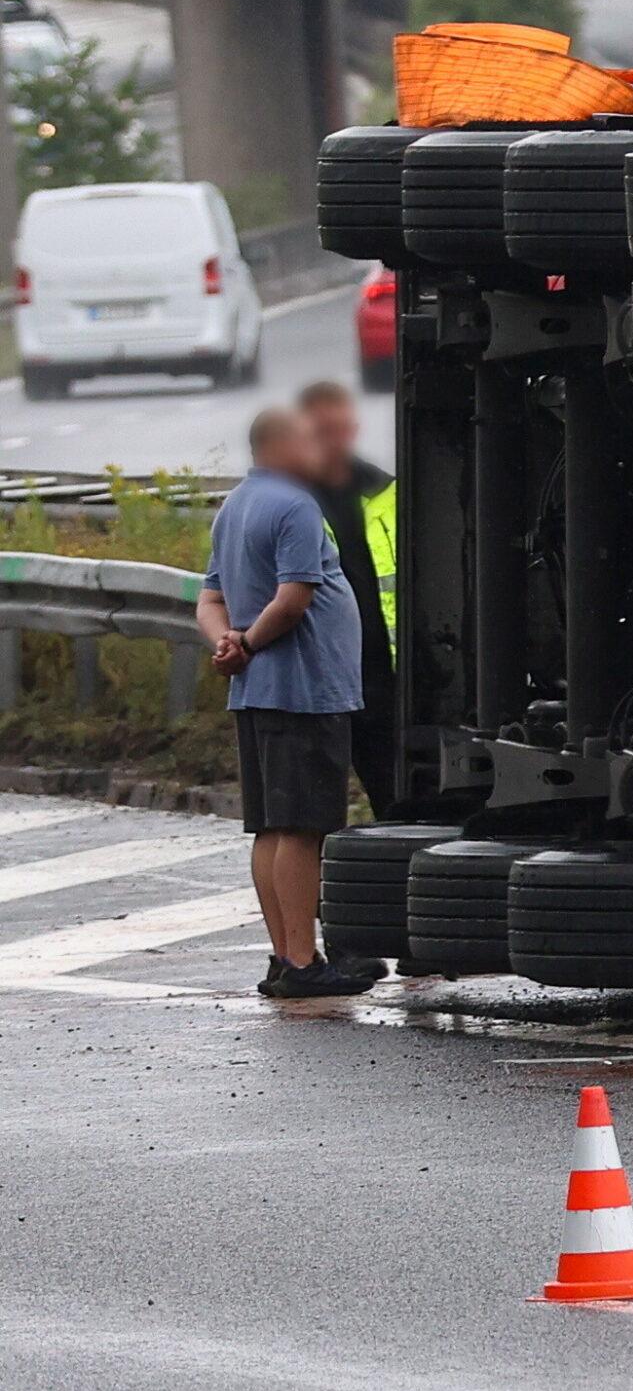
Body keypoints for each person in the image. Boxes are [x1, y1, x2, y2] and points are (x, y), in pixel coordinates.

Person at [197, 407, 375, 999]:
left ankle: (284, 956)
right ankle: (302, 962)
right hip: (303, 690)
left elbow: (209, 600)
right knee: (303, 828)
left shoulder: (234, 506)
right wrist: (247, 642)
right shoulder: (295, 505)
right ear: (276, 446)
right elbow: (294, 598)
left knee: (272, 828)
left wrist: (226, 643)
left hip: (257, 691)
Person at [297, 380, 399, 816]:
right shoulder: (291, 499)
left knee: (395, 800)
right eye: (321, 431)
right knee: (310, 811)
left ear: (352, 428)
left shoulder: (386, 490)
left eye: (338, 429)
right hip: (320, 674)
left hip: (385, 673)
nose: (331, 440)